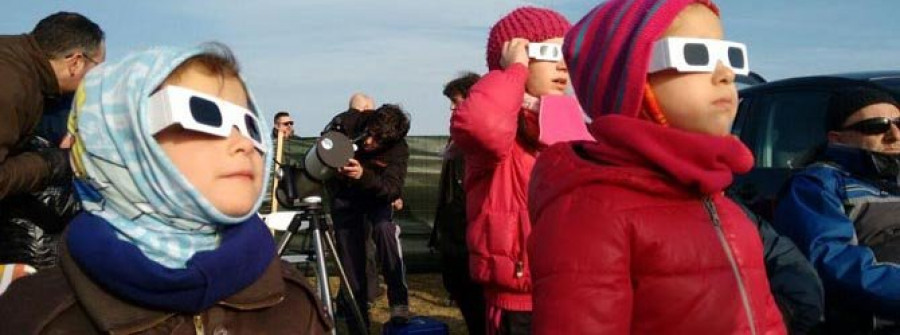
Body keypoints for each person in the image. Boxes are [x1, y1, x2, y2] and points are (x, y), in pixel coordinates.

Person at [0, 44, 332, 334]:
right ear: (119, 140)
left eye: (249, 123)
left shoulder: (291, 300)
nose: (242, 142)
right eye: (203, 114)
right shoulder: (37, 316)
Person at [527, 0, 788, 333]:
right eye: (696, 55)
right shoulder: (593, 213)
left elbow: (764, 319)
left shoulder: (725, 206)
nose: (726, 74)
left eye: (731, 57)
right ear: (630, 79)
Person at [449, 7, 571, 334]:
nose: (563, 63)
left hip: (571, 295)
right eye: (548, 51)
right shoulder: (502, 138)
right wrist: (514, 72)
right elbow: (481, 125)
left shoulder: (568, 122)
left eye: (568, 52)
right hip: (518, 305)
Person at [774, 86, 900, 334]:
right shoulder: (817, 185)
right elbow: (832, 263)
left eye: (899, 123)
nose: (894, 134)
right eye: (876, 126)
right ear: (837, 138)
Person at [0, 11, 105, 268]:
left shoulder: (14, 58)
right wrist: (52, 164)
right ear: (76, 62)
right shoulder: (13, 88)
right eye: (98, 70)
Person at [326, 104, 411, 332]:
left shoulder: (398, 150)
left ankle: (399, 302)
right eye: (369, 134)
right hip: (345, 199)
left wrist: (364, 175)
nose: (369, 143)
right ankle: (358, 322)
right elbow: (325, 144)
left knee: (385, 231)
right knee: (351, 262)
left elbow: (392, 189)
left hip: (376, 200)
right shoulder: (347, 122)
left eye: (378, 141)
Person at [431, 71, 486, 334]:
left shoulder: (484, 141)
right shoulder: (456, 140)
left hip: (472, 239)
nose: (452, 108)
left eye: (456, 101)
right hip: (454, 238)